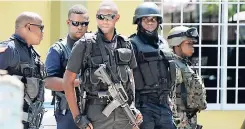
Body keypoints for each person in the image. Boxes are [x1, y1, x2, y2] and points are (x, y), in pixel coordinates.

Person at [63, 1, 142, 129]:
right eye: (100, 17)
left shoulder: (125, 44)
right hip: (96, 115)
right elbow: (68, 81)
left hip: (123, 115)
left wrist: (132, 106)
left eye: (109, 16)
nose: (104, 21)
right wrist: (77, 117)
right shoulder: (85, 44)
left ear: (117, 18)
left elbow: (131, 79)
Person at [129, 2, 177, 129]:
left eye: (153, 19)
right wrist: (131, 108)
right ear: (139, 22)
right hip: (143, 105)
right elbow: (127, 78)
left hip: (164, 104)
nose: (150, 23)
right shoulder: (132, 44)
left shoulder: (163, 43)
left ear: (158, 22)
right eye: (146, 19)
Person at [44, 5, 89, 129]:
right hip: (68, 112)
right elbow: (48, 82)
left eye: (84, 23)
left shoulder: (94, 47)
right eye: (76, 23)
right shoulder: (58, 49)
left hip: (93, 109)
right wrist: (78, 82)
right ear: (68, 22)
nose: (80, 27)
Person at [0, 12, 46, 129]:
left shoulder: (33, 54)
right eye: (41, 28)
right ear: (28, 27)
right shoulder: (9, 49)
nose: (43, 32)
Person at [167, 26, 207, 129]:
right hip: (179, 122)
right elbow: (170, 98)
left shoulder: (184, 64)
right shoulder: (172, 66)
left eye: (193, 43)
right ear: (176, 44)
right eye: (188, 43)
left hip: (188, 120)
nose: (192, 47)